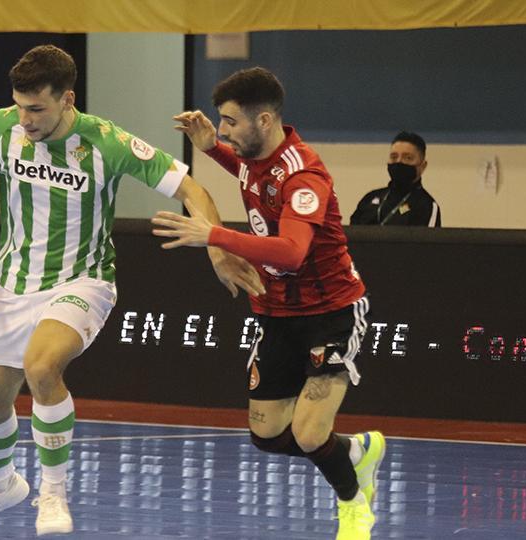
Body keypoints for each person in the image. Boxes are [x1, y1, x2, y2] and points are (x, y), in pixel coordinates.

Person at [0, 45, 264, 537]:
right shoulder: (2, 128)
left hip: (83, 280)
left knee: (41, 365)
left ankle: (52, 494)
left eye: (37, 108)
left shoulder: (106, 141)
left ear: (67, 99)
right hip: (14, 285)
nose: (26, 118)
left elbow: (192, 189)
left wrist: (214, 246)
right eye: (20, 106)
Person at [151, 67, 385, 540]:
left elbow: (292, 252)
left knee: (310, 433)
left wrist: (213, 235)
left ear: (264, 119)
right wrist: (211, 148)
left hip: (331, 313)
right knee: (266, 434)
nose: (224, 130)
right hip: (277, 313)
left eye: (230, 123)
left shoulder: (304, 176)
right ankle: (357, 452)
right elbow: (249, 172)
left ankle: (354, 506)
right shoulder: (259, 158)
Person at [350, 131, 440, 226]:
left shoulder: (427, 206)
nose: (399, 161)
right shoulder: (370, 198)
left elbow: (427, 239)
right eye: (394, 157)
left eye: (408, 158)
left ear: (422, 166)